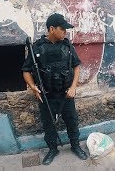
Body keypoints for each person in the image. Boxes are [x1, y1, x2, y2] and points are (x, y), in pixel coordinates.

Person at [22, 13, 88, 165]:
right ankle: (53, 149)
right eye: (62, 28)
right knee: (48, 124)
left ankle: (75, 146)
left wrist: (73, 87)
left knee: (72, 121)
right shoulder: (37, 48)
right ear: (51, 29)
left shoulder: (67, 46)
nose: (65, 31)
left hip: (66, 95)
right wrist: (33, 87)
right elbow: (26, 70)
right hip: (47, 96)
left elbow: (76, 67)